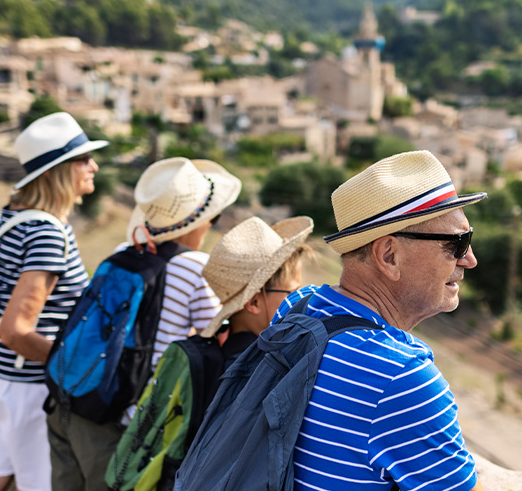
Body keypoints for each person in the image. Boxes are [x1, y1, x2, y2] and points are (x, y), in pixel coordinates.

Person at [274, 150, 488, 490]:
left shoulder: (296, 308)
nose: (470, 260)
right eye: (457, 243)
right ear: (389, 255)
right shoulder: (403, 380)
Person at [47, 157, 240, 490]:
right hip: (122, 423)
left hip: (70, 400)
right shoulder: (197, 268)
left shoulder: (125, 250)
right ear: (200, 221)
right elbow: (221, 333)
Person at [103, 216, 313, 491]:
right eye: (293, 291)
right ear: (253, 302)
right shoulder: (255, 370)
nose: (300, 300)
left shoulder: (216, 353)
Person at [0, 112, 102, 491]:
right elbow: (16, 329)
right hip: (27, 385)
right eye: (82, 159)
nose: (93, 166)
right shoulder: (47, 232)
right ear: (58, 170)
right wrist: (72, 369)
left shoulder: (15, 217)